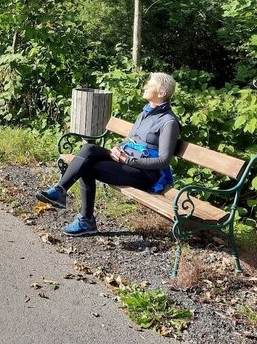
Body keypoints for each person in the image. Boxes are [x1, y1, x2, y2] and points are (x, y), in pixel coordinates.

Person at [36, 73, 180, 236]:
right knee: (89, 149)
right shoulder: (145, 113)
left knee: (87, 166)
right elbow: (131, 140)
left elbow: (163, 160)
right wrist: (117, 148)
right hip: (125, 161)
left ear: (161, 93)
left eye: (150, 85)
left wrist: (128, 159)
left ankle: (86, 220)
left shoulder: (169, 122)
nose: (146, 86)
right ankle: (60, 190)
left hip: (145, 174)